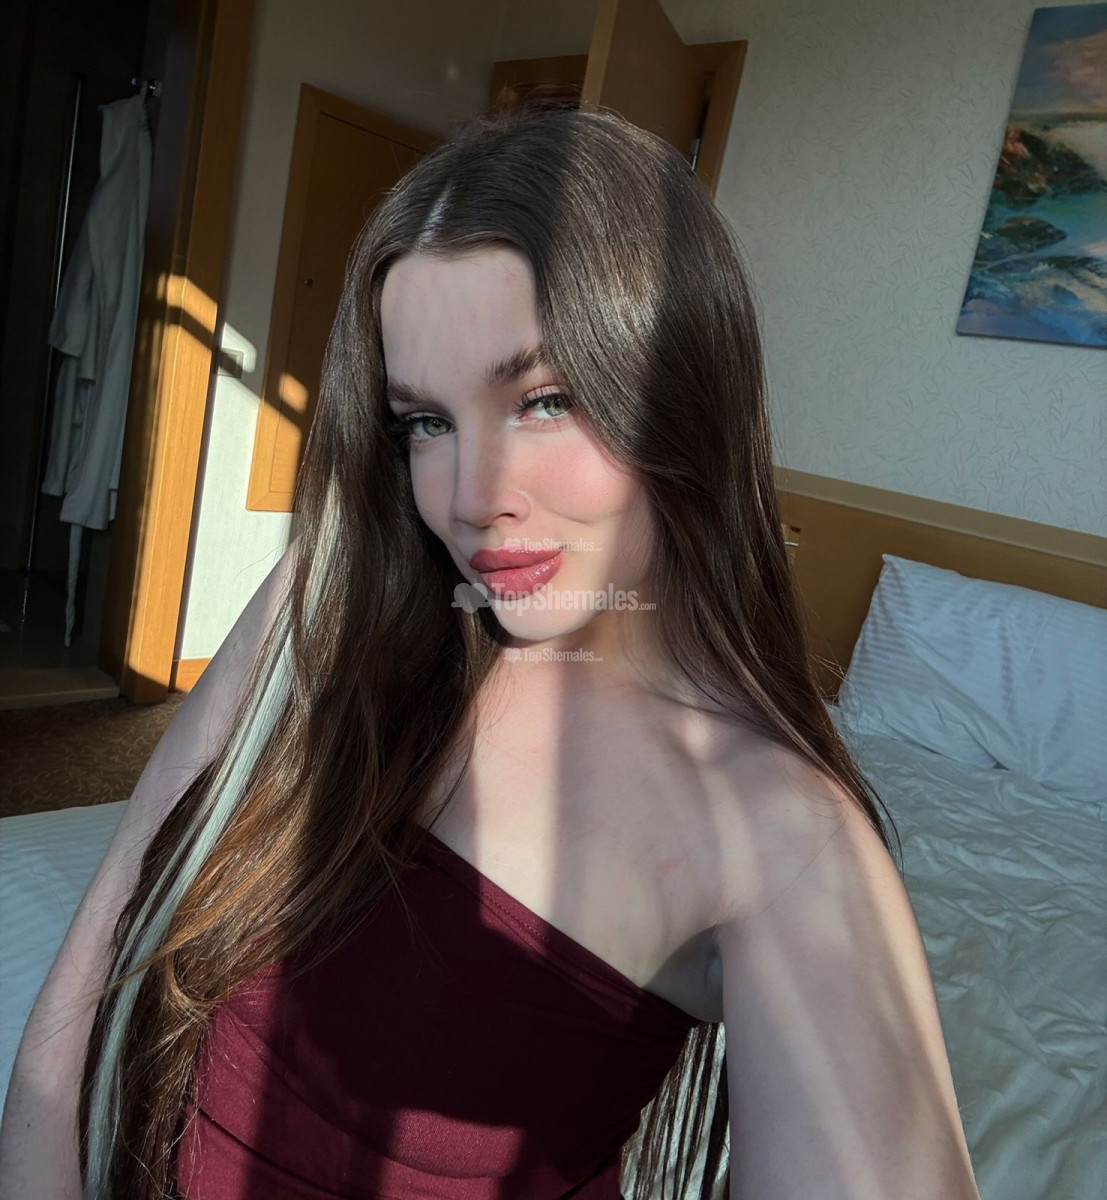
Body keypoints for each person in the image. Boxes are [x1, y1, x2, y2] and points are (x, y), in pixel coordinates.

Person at [0, 104, 982, 1200]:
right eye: (425, 422)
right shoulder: (322, 604)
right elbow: (112, 929)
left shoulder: (780, 837)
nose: (471, 498)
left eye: (545, 400)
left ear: (686, 396)